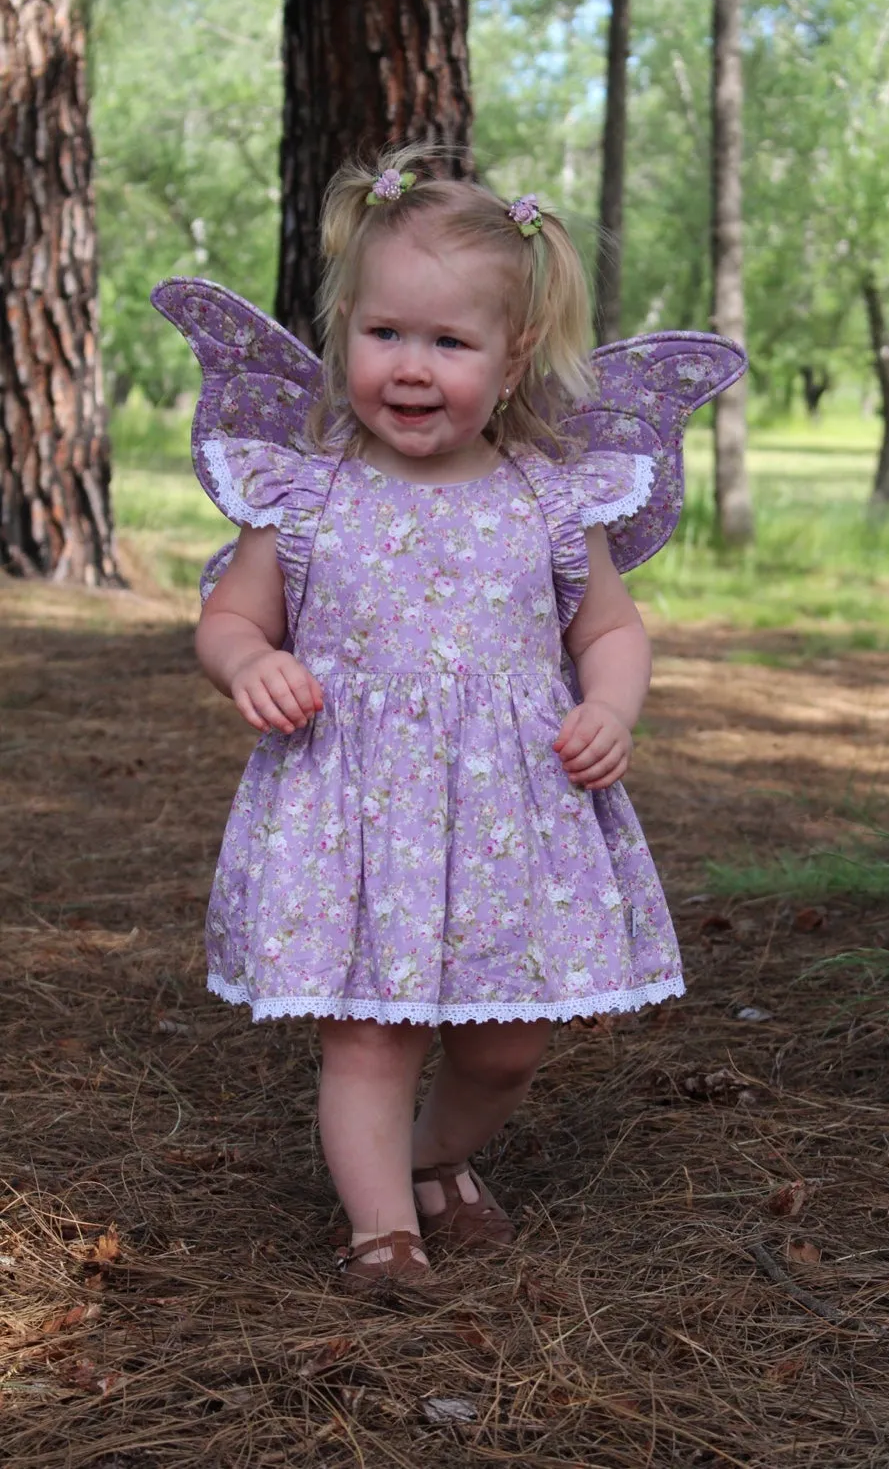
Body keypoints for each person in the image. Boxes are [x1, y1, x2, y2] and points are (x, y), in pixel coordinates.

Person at [161, 146, 739, 1288]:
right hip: (353, 811)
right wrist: (248, 665)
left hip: (510, 816)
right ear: (344, 335)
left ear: (514, 355)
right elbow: (227, 616)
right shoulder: (306, 489)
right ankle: (383, 1230)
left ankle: (434, 1160)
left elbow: (608, 633)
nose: (410, 368)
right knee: (369, 1035)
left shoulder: (551, 494)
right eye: (385, 335)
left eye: (449, 343)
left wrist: (612, 707)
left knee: (506, 1044)